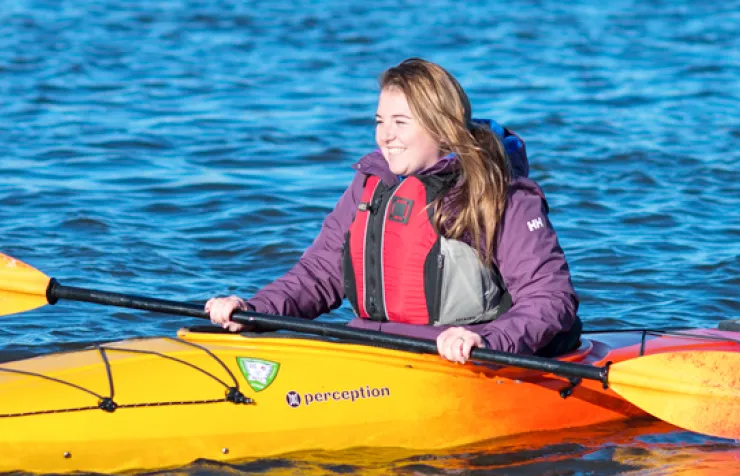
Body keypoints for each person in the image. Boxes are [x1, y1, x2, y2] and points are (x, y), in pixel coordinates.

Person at [205, 58, 579, 364]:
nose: (385, 136)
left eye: (401, 123)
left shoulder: (502, 195)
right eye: (380, 121)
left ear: (443, 129)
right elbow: (319, 273)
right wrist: (253, 309)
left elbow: (550, 298)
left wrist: (488, 339)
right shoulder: (372, 185)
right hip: (374, 351)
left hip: (462, 359)